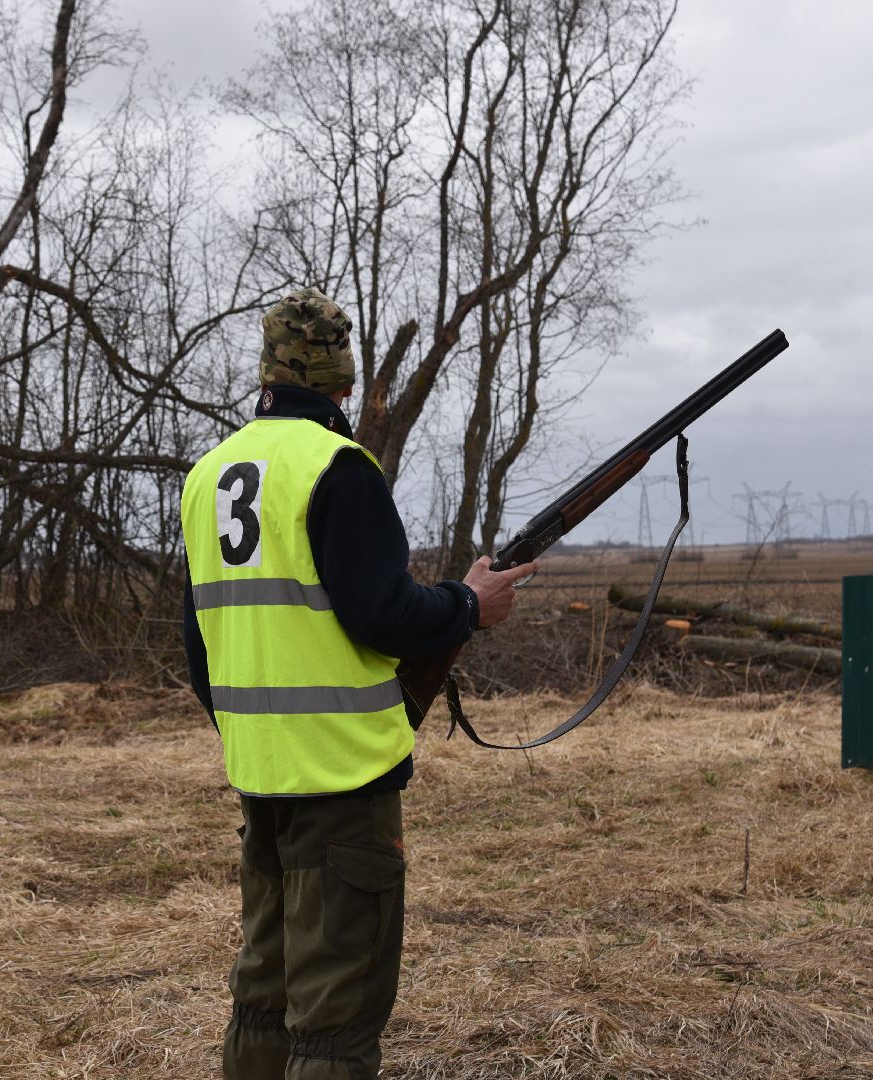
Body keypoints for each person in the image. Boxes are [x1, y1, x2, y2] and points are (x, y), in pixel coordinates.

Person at [180, 287, 539, 1079]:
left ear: (267, 372)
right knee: (334, 1025)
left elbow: (199, 647)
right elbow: (381, 614)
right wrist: (467, 605)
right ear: (344, 382)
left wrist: (261, 733)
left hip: (261, 778)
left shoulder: (207, 477)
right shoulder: (339, 468)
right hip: (343, 783)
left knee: (264, 999)